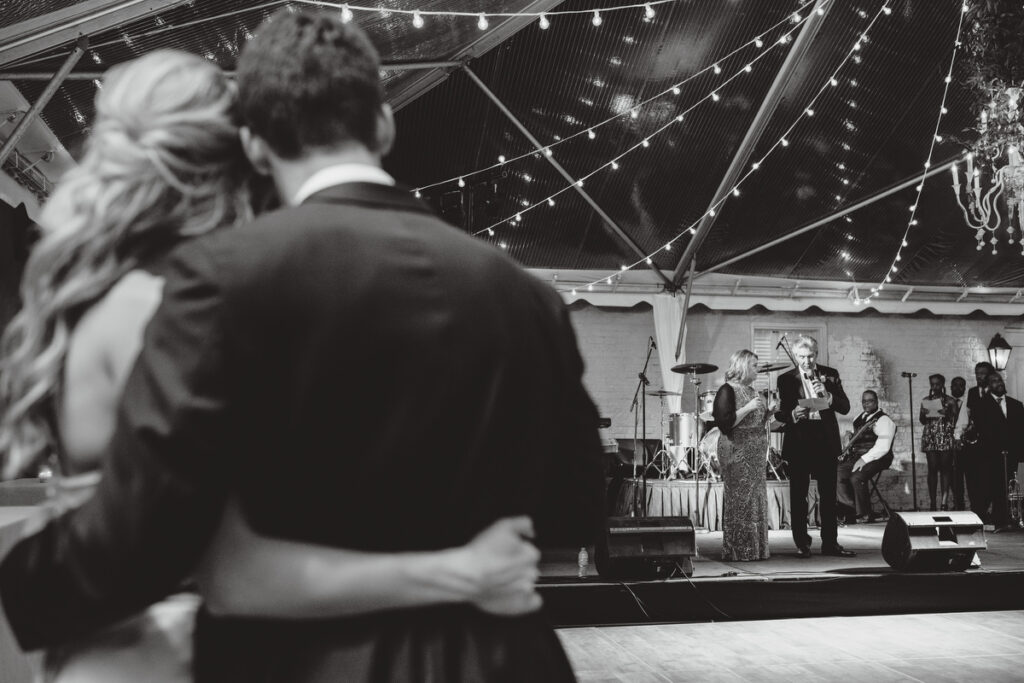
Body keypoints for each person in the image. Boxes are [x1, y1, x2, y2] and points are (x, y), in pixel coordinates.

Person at [0, 12, 604, 683]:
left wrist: (21, 583)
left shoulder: (221, 279)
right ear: (383, 123)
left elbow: (156, 529)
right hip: (506, 657)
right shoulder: (527, 295)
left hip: (305, 659)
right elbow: (576, 503)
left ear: (256, 146)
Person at [775, 335, 853, 558]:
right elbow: (780, 411)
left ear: (816, 355)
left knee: (828, 496)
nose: (806, 361)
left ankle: (830, 543)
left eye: (810, 356)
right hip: (799, 442)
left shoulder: (830, 374)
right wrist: (791, 414)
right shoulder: (786, 379)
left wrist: (828, 396)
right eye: (801, 357)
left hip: (825, 442)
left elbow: (845, 407)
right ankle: (802, 543)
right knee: (799, 496)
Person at [713, 350, 774, 561]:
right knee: (740, 499)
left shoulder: (753, 391)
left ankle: (755, 549)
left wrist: (769, 414)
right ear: (743, 366)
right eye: (755, 365)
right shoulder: (727, 390)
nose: (758, 369)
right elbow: (725, 423)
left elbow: (755, 424)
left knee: (755, 499)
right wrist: (748, 408)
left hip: (755, 453)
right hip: (736, 451)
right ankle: (738, 549)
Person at [969, 372, 1023, 530]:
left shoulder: (1016, 404)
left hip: (1010, 453)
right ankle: (987, 519)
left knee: (1007, 486)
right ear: (988, 386)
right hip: (990, 454)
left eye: (999, 380)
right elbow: (981, 430)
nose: (999, 383)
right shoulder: (981, 405)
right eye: (994, 381)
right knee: (990, 487)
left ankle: (1004, 519)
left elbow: (1020, 430)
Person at [836, 390, 896, 523]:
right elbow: (857, 434)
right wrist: (848, 436)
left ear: (876, 402)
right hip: (858, 456)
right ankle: (850, 511)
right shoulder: (859, 417)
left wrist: (864, 460)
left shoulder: (884, 420)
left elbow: (883, 447)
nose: (866, 404)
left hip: (878, 457)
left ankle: (864, 514)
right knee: (837, 472)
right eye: (864, 401)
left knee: (857, 476)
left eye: (870, 401)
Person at [954, 361, 994, 514]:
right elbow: (964, 416)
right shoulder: (971, 392)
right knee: (972, 478)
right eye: (977, 373)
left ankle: (984, 508)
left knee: (988, 478)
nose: (979, 376)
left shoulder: (995, 392)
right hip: (974, 443)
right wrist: (958, 435)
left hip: (991, 443)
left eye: (982, 373)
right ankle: (977, 510)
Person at [919, 374, 958, 510]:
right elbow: (922, 421)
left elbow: (955, 422)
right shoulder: (926, 400)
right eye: (932, 384)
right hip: (931, 436)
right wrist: (924, 413)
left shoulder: (951, 401)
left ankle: (944, 502)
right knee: (932, 469)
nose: (935, 387)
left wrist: (945, 413)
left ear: (942, 385)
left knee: (945, 469)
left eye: (937, 384)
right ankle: (933, 503)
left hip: (945, 436)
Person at [949, 376, 968, 510]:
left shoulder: (968, 402)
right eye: (955, 385)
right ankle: (958, 504)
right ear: (950, 387)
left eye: (961, 385)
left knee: (967, 475)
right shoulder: (947, 402)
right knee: (953, 476)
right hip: (950, 444)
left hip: (967, 444)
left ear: (964, 388)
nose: (958, 388)